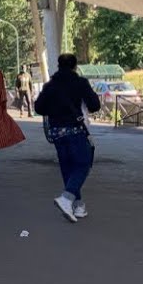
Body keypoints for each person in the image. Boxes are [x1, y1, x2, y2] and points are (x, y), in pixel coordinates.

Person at [35, 53, 102, 223]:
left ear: (58, 65)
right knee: (83, 164)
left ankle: (78, 206)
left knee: (68, 168)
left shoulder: (50, 85)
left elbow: (39, 108)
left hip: (57, 132)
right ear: (74, 66)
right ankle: (66, 198)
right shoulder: (80, 83)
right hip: (75, 130)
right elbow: (94, 105)